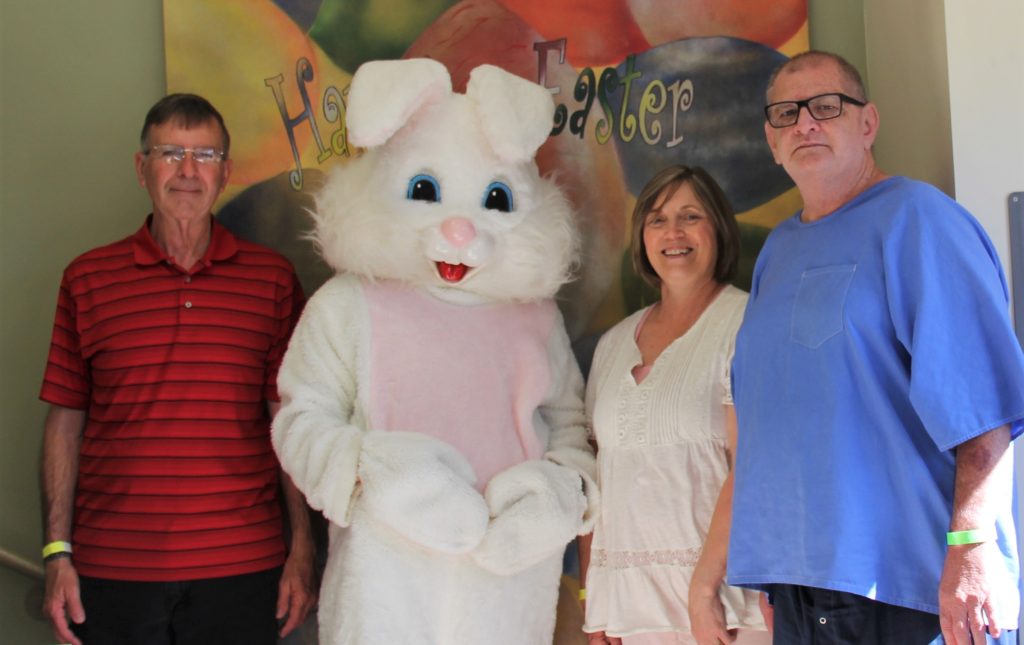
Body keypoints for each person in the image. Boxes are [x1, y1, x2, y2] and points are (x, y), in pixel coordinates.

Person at [728, 50, 1024, 644]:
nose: (805, 123)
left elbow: (985, 407)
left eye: (826, 107)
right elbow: (774, 422)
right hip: (803, 589)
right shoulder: (777, 254)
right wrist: (777, 576)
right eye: (787, 113)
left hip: (911, 591)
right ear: (770, 139)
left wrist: (973, 547)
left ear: (868, 124)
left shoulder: (919, 221)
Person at [38, 93, 317, 645]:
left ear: (227, 172)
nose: (189, 171)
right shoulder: (86, 279)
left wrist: (303, 550)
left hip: (243, 568)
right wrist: (56, 553)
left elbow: (290, 420)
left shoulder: (273, 280)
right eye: (170, 153)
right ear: (142, 168)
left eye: (206, 156)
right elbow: (64, 422)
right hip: (111, 571)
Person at [579, 165, 769, 645]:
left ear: (719, 230)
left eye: (690, 216)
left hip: (725, 611)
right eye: (658, 220)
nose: (674, 233)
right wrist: (594, 603)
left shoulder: (749, 323)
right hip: (630, 615)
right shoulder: (613, 344)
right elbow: (596, 483)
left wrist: (705, 591)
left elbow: (755, 469)